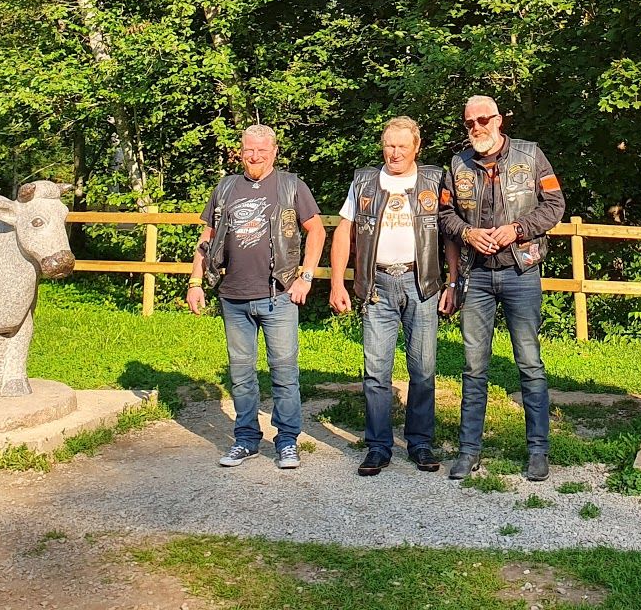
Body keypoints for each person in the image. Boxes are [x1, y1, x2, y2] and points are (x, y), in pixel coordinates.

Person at [439, 96, 565, 482]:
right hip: (475, 276)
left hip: (520, 271)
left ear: (499, 120)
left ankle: (538, 451)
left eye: (483, 120)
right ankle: (468, 451)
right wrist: (468, 233)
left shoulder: (530, 156)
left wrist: (518, 229)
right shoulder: (457, 165)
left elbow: (555, 204)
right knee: (474, 366)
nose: (476, 127)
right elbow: (444, 215)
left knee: (529, 363)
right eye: (469, 123)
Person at [185, 124, 325, 470]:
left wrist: (305, 277)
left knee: (284, 372)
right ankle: (246, 439)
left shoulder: (291, 186)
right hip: (233, 296)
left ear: (274, 152)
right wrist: (195, 281)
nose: (255, 156)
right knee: (242, 373)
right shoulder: (227, 187)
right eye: (249, 149)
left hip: (279, 295)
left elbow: (317, 231)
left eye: (262, 150)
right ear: (241, 150)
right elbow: (207, 237)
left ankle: (287, 441)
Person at [329, 116, 460, 476]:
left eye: (403, 146)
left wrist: (452, 282)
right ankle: (377, 446)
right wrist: (337, 282)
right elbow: (345, 232)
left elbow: (449, 235)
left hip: (423, 286)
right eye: (390, 145)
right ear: (382, 146)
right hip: (378, 287)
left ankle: (420, 443)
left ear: (417, 147)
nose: (396, 152)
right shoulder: (364, 182)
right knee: (376, 372)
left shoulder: (435, 180)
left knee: (423, 370)